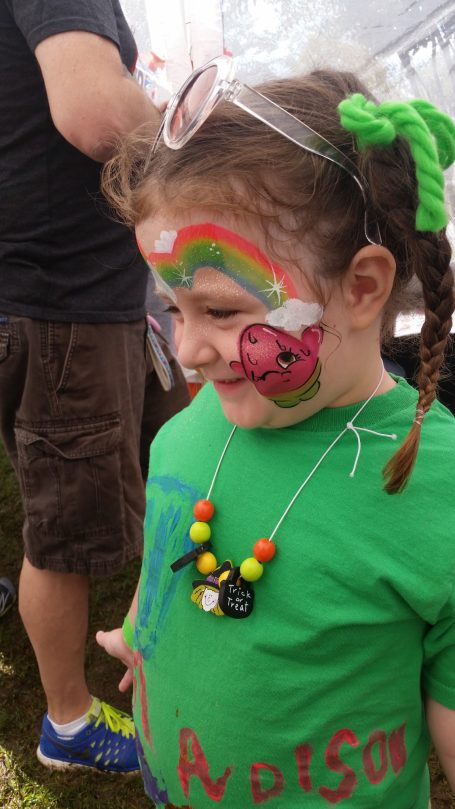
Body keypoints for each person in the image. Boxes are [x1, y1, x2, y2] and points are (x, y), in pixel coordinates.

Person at [97, 57, 455, 807]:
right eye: (172, 307)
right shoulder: (198, 421)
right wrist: (140, 631)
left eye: (222, 312)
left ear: (360, 288)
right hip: (168, 776)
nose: (188, 350)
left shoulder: (434, 492)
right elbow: (168, 546)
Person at [0, 0, 188, 776]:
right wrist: (196, 131)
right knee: (65, 535)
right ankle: (68, 724)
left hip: (62, 296)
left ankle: (163, 632)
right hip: (64, 307)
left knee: (152, 457)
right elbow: (93, 114)